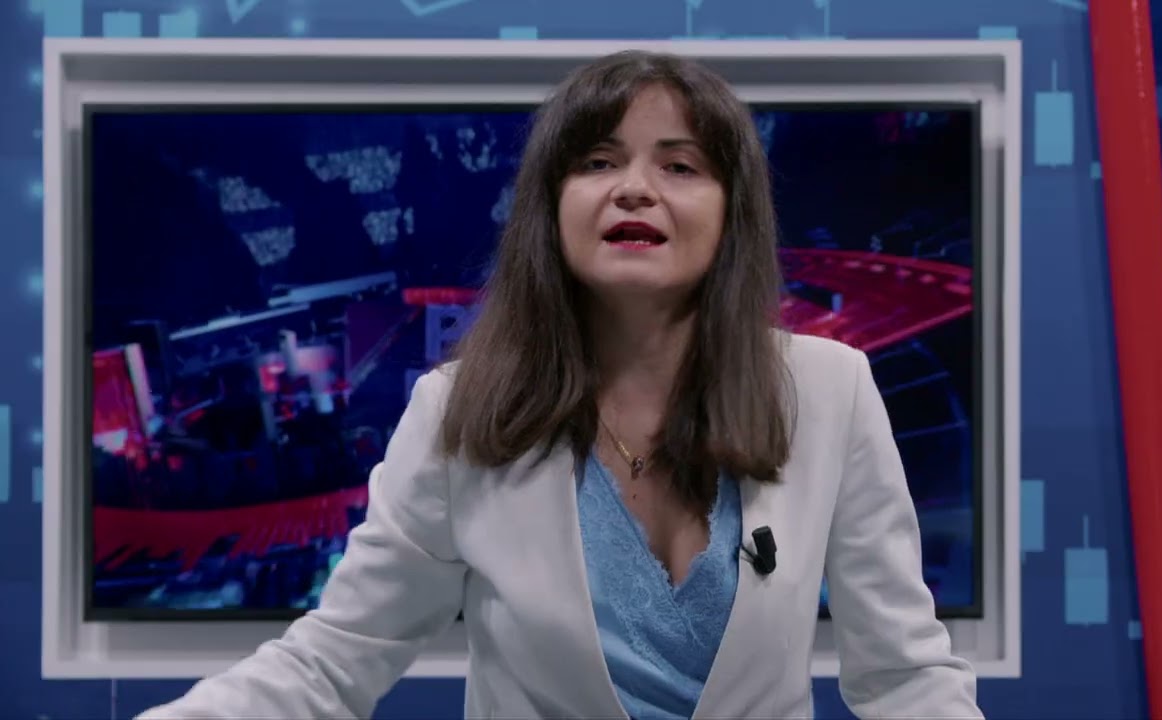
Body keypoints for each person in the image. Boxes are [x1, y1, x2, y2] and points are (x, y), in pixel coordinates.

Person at [139, 50, 982, 720]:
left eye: (680, 165)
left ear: (734, 213)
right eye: (598, 160)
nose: (635, 188)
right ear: (551, 207)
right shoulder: (458, 411)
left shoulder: (829, 390)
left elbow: (906, 680)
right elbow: (332, 661)